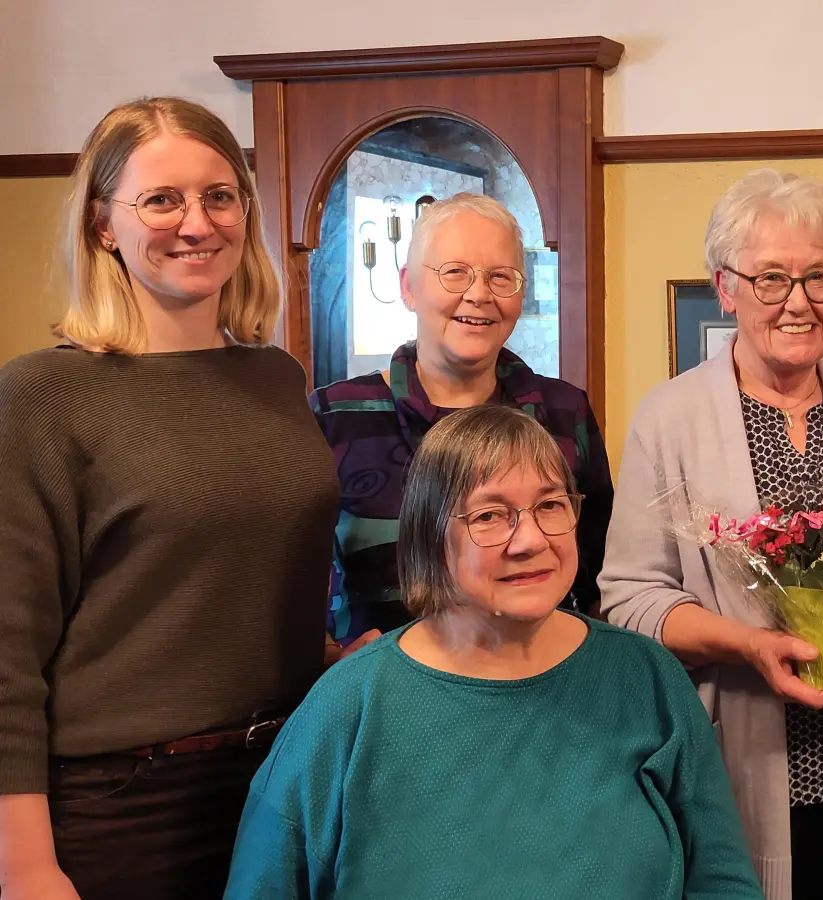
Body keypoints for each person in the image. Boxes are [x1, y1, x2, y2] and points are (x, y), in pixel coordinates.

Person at [0, 98, 339, 900]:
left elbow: (221, 582)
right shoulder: (43, 395)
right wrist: (23, 867)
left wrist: (335, 661)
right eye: (161, 199)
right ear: (103, 224)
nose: (198, 222)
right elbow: (5, 654)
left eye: (220, 196)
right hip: (123, 809)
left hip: (284, 781)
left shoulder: (275, 377)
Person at [600, 169, 823, 900]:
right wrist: (745, 644)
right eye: (770, 279)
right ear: (726, 287)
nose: (798, 302)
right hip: (739, 750)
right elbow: (628, 597)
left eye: (819, 278)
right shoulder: (668, 417)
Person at [224, 406, 759, 899]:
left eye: (550, 505)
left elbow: (722, 880)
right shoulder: (348, 709)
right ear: (432, 537)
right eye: (488, 516)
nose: (529, 540)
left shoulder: (646, 677)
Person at [310, 192, 613, 651]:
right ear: (408, 286)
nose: (478, 294)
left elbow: (597, 570)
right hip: (386, 694)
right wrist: (332, 663)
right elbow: (288, 581)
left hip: (544, 684)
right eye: (455, 273)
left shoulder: (564, 411)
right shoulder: (333, 415)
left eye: (501, 277)